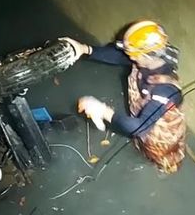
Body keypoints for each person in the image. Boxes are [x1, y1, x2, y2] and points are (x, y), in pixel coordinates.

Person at [61, 20, 187, 174]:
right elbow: (120, 56)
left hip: (161, 135)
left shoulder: (165, 90)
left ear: (148, 55)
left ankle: (166, 166)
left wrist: (102, 110)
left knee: (163, 155)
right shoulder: (148, 59)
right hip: (141, 119)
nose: (130, 58)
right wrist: (84, 49)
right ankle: (144, 149)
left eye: (133, 55)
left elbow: (139, 127)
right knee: (141, 144)